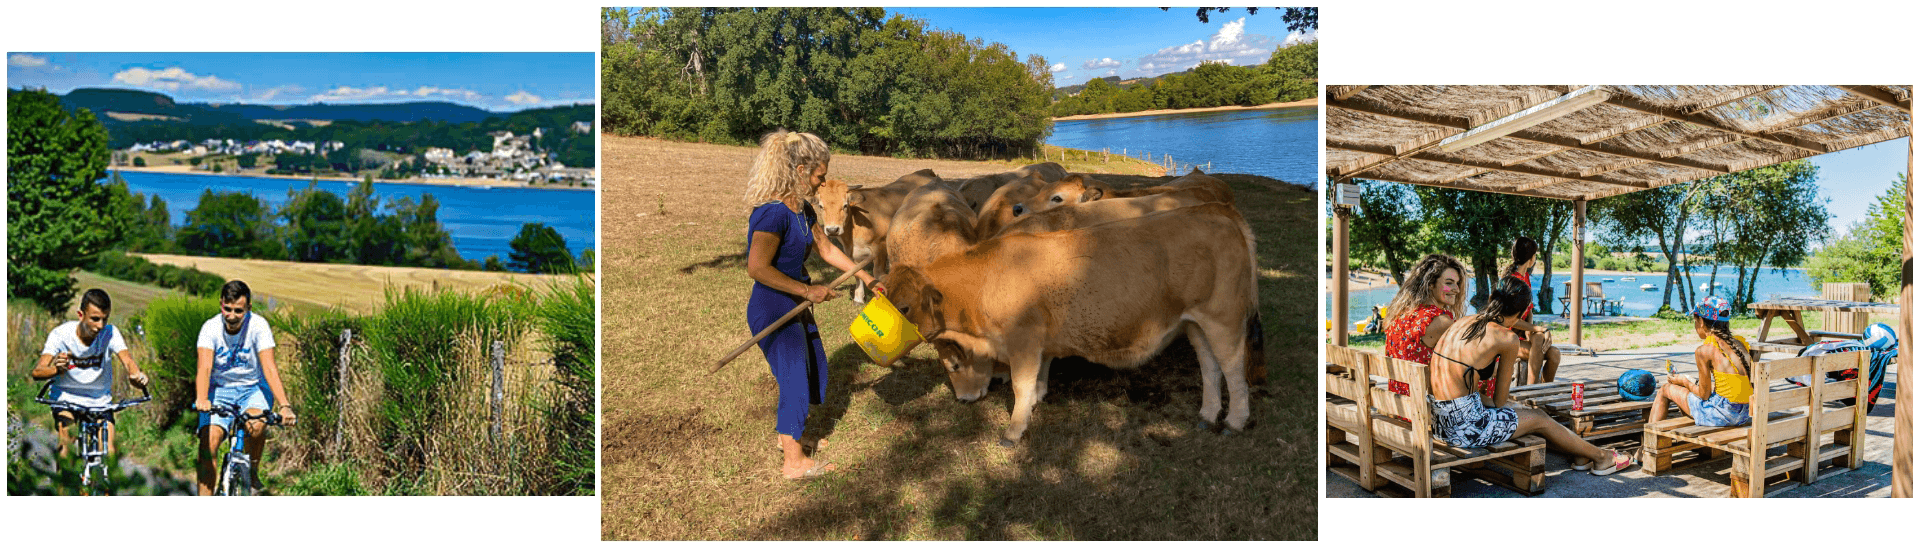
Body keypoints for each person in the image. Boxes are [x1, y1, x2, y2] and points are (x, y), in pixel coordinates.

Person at [742, 129, 881, 480]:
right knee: (793, 381)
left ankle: (790, 436)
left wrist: (866, 279)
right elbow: (757, 268)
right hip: (775, 308)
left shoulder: (801, 209)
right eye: (820, 174)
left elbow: (827, 249)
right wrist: (807, 292)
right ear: (800, 170)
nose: (823, 182)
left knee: (807, 370)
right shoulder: (772, 214)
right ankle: (794, 463)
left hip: (795, 304)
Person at [1429, 276, 1634, 475]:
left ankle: (1581, 455)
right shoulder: (1507, 339)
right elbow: (1499, 401)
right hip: (1465, 430)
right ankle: (1601, 457)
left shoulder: (1463, 322)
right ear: (1522, 310)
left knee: (1523, 412)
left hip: (1440, 422)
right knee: (1539, 417)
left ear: (1493, 299)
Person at [193, 280, 296, 495]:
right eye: (227, 309)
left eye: (238, 311)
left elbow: (269, 367)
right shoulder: (210, 328)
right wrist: (202, 398)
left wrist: (284, 405)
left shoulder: (259, 326)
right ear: (221, 304)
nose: (231, 316)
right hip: (219, 389)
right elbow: (204, 366)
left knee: (256, 425)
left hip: (253, 388)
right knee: (208, 444)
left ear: (248, 308)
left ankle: (252, 469)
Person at [30, 289, 150, 459]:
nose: (100, 326)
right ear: (80, 315)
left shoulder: (110, 333)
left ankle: (103, 484)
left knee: (110, 453)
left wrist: (136, 375)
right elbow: (38, 371)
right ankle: (65, 485)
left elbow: (128, 361)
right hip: (66, 398)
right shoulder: (61, 335)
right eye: (95, 319)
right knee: (67, 445)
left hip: (99, 400)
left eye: (104, 319)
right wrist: (57, 370)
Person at [1647, 296, 1753, 431]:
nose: (1695, 325)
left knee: (1665, 389)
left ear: (1701, 322)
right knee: (1686, 393)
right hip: (1743, 414)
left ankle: (1646, 447)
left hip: (1721, 415)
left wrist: (1684, 382)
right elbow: (1732, 385)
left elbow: (1704, 395)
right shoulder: (1740, 344)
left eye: (1695, 320)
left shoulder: (1705, 350)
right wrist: (1690, 383)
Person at [1382, 254, 1468, 368]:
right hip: (1422, 386)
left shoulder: (1399, 315)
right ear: (1430, 284)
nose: (1456, 289)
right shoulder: (1440, 321)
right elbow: (1469, 360)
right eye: (1449, 282)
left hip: (1400, 385)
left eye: (1457, 283)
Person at [1500, 236, 1561, 386]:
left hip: (1521, 338)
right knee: (1540, 337)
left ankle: (1543, 391)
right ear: (1532, 258)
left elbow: (1529, 313)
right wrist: (1539, 329)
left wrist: (1531, 334)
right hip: (1505, 339)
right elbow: (1510, 320)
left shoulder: (1525, 277)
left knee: (1554, 354)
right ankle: (1531, 390)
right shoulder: (1512, 281)